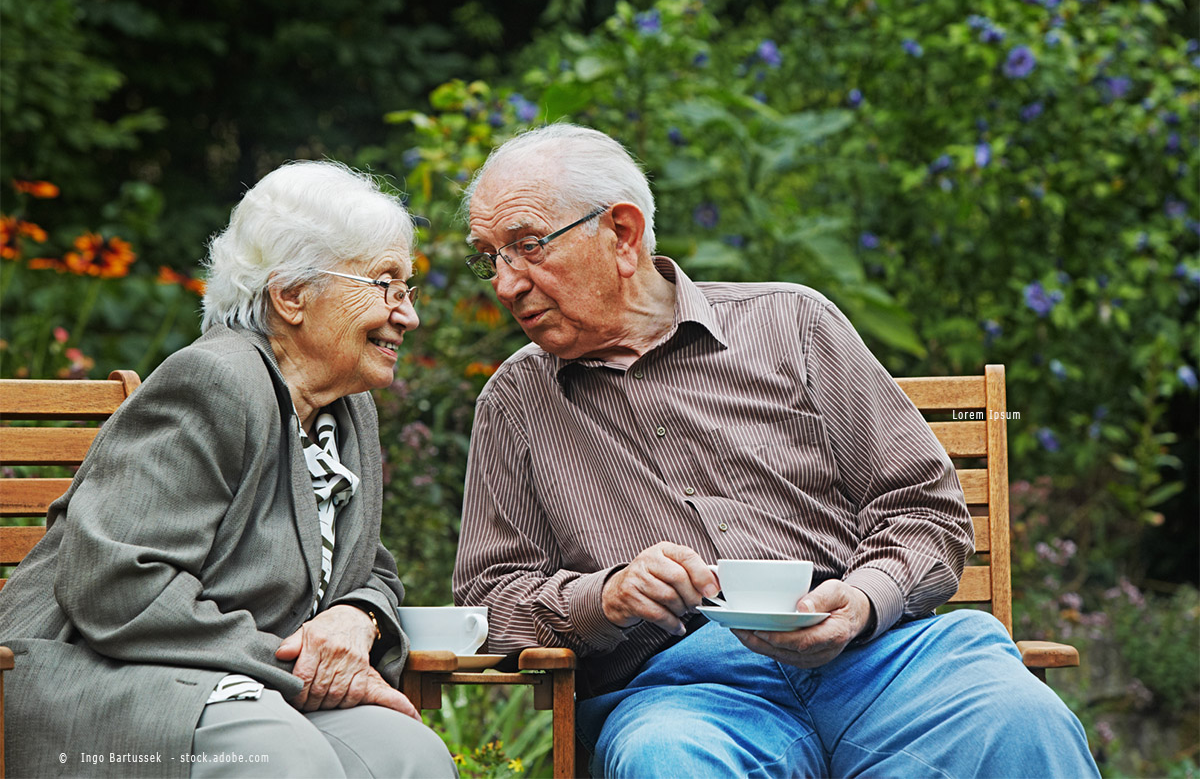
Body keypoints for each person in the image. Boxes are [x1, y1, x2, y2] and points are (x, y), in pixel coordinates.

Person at [452, 124, 1100, 777]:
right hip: (688, 697)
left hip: (880, 663)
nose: (506, 285)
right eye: (490, 258)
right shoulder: (516, 402)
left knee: (1019, 716)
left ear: (621, 234)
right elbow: (487, 599)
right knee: (666, 760)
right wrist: (607, 595)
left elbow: (923, 507)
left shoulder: (792, 323)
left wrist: (863, 598)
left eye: (528, 246)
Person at [0, 161, 456, 778]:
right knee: (278, 757)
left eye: (407, 289)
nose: (408, 315)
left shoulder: (347, 409)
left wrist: (360, 616)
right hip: (103, 679)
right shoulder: (214, 381)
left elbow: (368, 564)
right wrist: (293, 660)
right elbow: (116, 582)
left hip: (245, 682)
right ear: (291, 295)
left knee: (410, 755)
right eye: (384, 285)